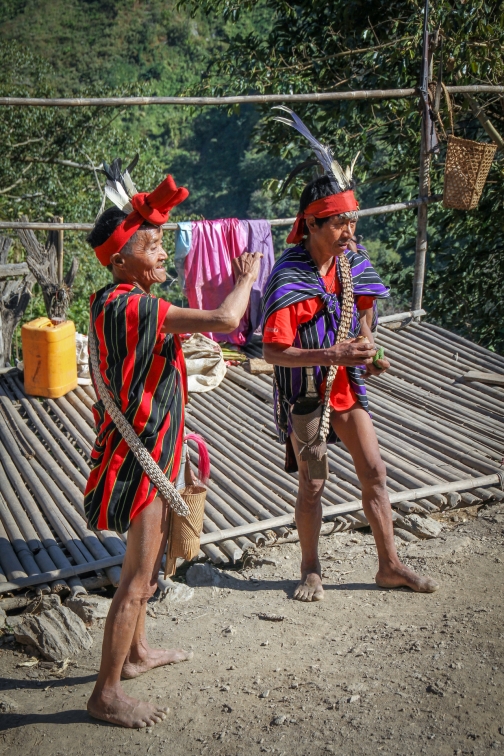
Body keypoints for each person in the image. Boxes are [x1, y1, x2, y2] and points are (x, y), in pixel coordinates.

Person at [84, 163, 262, 728]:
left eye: (163, 244)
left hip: (145, 446)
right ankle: (105, 693)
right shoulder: (134, 306)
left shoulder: (112, 300)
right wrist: (247, 275)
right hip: (139, 458)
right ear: (120, 260)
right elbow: (227, 317)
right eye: (153, 246)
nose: (163, 255)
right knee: (138, 577)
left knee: (147, 568)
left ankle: (134, 655)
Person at [262, 108, 438, 602]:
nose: (349, 231)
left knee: (375, 471)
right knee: (314, 484)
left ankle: (390, 564)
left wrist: (369, 352)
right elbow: (275, 351)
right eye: (339, 224)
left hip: (345, 387)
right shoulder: (289, 277)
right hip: (306, 396)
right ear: (312, 225)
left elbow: (360, 316)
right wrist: (330, 350)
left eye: (351, 221)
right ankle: (311, 568)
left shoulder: (352, 261)